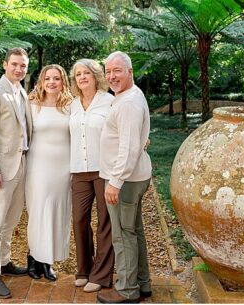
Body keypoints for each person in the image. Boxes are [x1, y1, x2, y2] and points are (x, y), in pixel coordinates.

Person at [0, 48, 33, 300]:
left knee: (11, 220)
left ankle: (4, 262)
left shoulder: (21, 92)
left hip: (21, 164)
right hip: (1, 168)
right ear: (5, 65)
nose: (19, 69)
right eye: (15, 64)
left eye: (23, 65)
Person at [98, 52, 152, 304]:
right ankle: (142, 284)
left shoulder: (128, 102)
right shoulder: (128, 96)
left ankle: (127, 290)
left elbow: (128, 148)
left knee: (122, 233)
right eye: (108, 71)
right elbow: (133, 140)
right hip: (133, 176)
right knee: (133, 230)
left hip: (126, 180)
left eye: (117, 70)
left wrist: (115, 181)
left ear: (130, 71)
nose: (112, 76)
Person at [68, 58, 116, 294]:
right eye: (78, 74)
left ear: (96, 76)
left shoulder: (109, 102)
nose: (83, 77)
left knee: (105, 221)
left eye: (86, 73)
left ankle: (101, 274)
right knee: (79, 219)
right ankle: (84, 270)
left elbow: (123, 126)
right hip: (78, 169)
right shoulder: (73, 104)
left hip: (103, 169)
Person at [25, 64, 72, 283]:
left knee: (56, 214)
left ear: (63, 81)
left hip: (63, 168)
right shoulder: (32, 104)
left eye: (56, 79)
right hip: (38, 166)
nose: (52, 83)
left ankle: (48, 261)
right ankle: (34, 258)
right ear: (41, 82)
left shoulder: (71, 105)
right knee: (39, 212)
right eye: (47, 79)